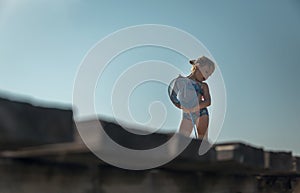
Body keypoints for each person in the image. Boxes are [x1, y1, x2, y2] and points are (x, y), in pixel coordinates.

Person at [169, 56, 215, 139]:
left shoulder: (203, 86)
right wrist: (181, 106)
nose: (206, 76)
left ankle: (202, 151)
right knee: (182, 138)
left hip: (202, 112)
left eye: (209, 75)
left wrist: (195, 108)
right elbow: (173, 96)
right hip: (187, 113)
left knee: (202, 139)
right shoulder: (181, 81)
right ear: (197, 66)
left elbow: (208, 102)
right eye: (206, 71)